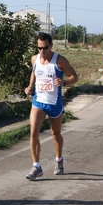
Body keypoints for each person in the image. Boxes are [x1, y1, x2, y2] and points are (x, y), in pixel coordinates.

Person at [24, 32, 78, 180]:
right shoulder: (35, 59)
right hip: (38, 102)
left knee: (55, 134)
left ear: (51, 45)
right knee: (33, 131)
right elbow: (34, 72)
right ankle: (36, 166)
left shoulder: (59, 61)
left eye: (45, 48)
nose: (42, 51)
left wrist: (65, 82)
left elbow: (75, 76)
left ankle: (59, 159)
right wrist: (30, 86)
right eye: (39, 48)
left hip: (54, 103)